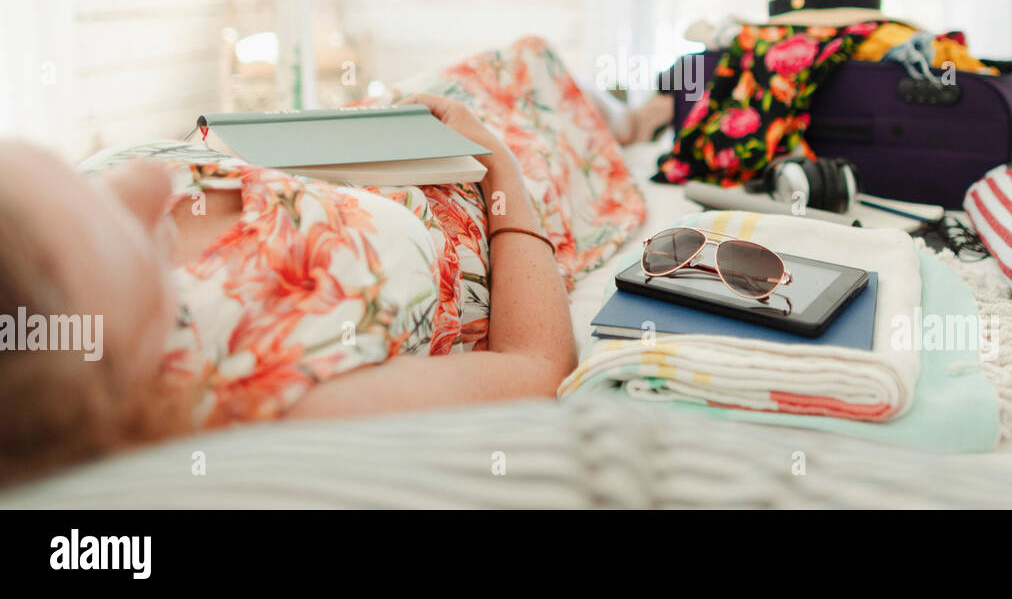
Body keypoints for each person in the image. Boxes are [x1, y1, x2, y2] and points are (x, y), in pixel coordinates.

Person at [0, 37, 647, 485]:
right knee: (563, 94)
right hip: (503, 186)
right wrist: (500, 166)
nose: (145, 183)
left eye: (78, 180)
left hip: (392, 133)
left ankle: (623, 106)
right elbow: (534, 367)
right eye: (126, 231)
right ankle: (646, 115)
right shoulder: (261, 395)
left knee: (519, 59)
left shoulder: (46, 244)